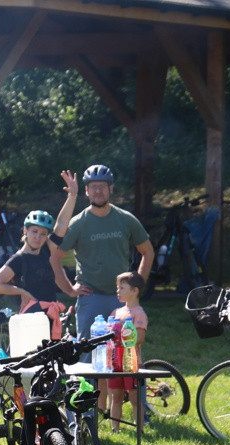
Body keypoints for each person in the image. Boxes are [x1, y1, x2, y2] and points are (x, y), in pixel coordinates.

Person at [50, 165, 154, 339]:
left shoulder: (125, 219)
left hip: (122, 298)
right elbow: (54, 257)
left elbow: (148, 252)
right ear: (86, 190)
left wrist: (137, 287)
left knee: (126, 348)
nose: (98, 191)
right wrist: (69, 289)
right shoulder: (77, 224)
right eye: (93, 187)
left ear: (110, 188)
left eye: (102, 186)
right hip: (91, 298)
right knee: (88, 354)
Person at [106, 272, 148, 431]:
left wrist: (123, 337)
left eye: (122, 288)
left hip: (131, 361)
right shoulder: (116, 312)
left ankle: (140, 429)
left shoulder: (138, 313)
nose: (118, 291)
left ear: (134, 291)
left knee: (134, 398)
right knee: (115, 397)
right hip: (115, 361)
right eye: (118, 288)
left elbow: (140, 337)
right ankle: (115, 428)